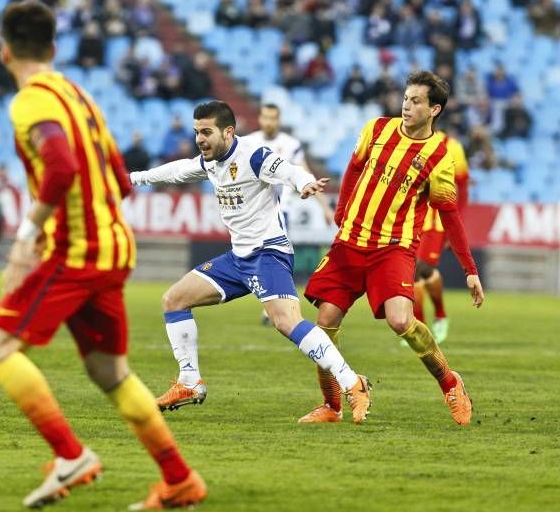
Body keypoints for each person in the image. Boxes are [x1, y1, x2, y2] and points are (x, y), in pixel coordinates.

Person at [0, 0, 206, 512]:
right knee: (109, 372)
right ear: (54, 49)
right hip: (116, 245)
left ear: (4, 50)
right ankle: (180, 479)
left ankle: (70, 455)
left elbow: (58, 168)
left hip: (78, 250)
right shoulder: (80, 96)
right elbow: (121, 180)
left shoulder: (30, 102)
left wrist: (25, 238)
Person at [129, 100, 372, 423]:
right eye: (197, 132)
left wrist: (304, 183)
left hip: (267, 253)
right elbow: (176, 171)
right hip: (238, 258)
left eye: (206, 132)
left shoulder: (253, 156)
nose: (200, 139)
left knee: (286, 322)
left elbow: (288, 170)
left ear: (228, 132)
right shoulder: (209, 162)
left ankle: (351, 383)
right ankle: (189, 382)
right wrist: (134, 178)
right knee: (174, 299)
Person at [300, 70, 484, 426]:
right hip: (350, 242)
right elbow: (354, 169)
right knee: (323, 325)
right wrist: (341, 213)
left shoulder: (440, 156)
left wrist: (469, 269)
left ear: (435, 110)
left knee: (401, 319)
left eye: (416, 101)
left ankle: (450, 383)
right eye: (405, 98)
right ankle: (333, 404)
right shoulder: (376, 129)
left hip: (392, 248)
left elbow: (450, 215)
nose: (406, 106)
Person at [246, 103, 333, 325]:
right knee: (258, 259)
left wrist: (324, 207)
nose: (269, 122)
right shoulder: (249, 142)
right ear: (260, 118)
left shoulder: (290, 145)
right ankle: (275, 304)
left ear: (279, 119)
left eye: (273, 118)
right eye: (265, 117)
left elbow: (305, 173)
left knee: (274, 258)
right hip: (252, 212)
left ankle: (276, 307)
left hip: (278, 211)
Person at [410, 129, 470, 345]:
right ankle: (422, 325)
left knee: (419, 268)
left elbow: (462, 186)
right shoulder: (405, 140)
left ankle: (432, 320)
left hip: (436, 220)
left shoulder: (451, 145)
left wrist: (457, 223)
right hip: (410, 217)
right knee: (414, 272)